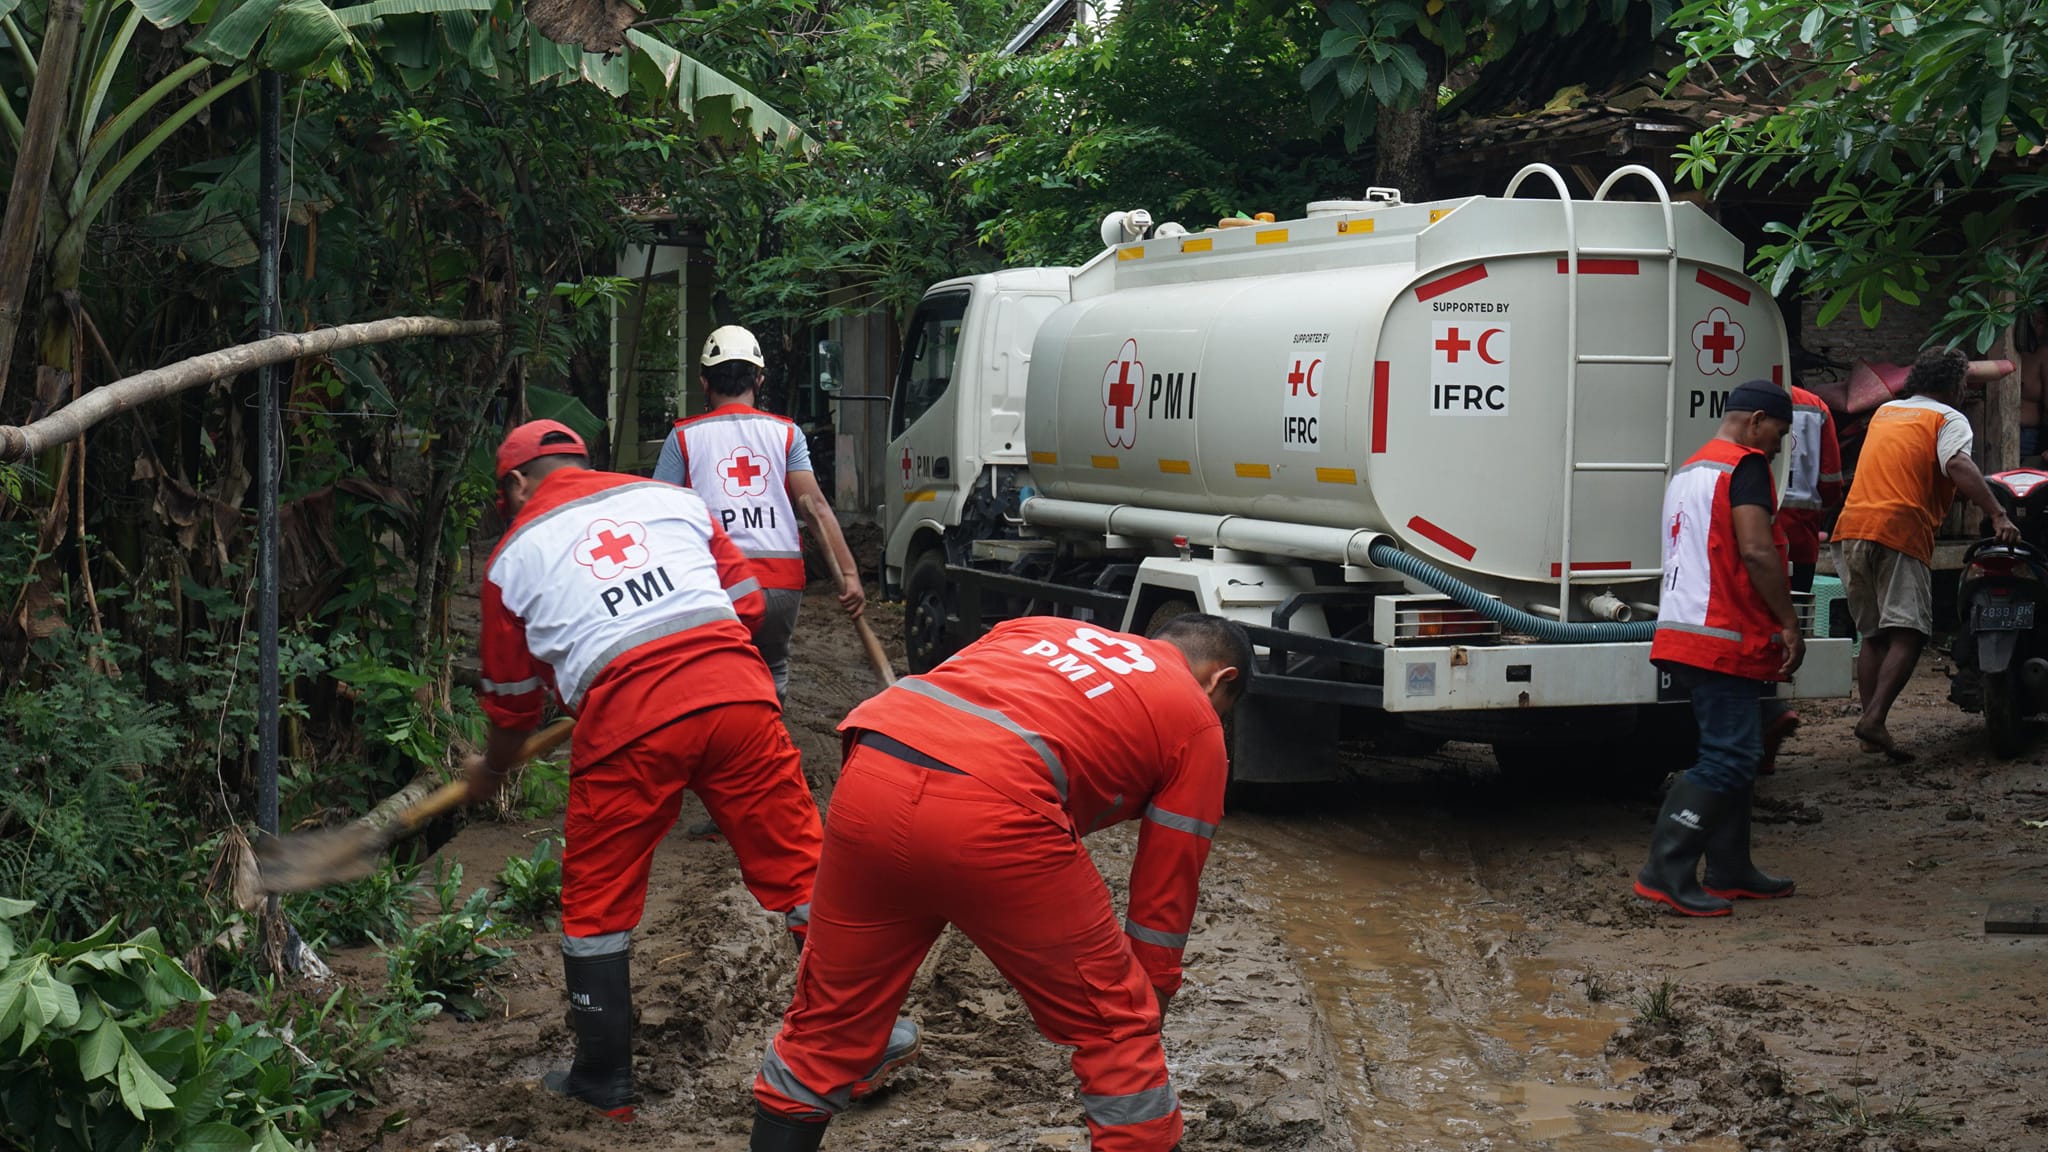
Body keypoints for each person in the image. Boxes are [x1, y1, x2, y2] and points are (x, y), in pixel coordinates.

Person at [748, 613, 1255, 1152]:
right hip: (996, 811)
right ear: (1220, 680)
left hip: (874, 772)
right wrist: (1146, 1004)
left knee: (829, 1019)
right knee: (1115, 1029)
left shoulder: (1038, 627)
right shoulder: (1197, 721)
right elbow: (1166, 889)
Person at [463, 419, 827, 1120]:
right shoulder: (674, 502)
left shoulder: (510, 558)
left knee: (598, 899)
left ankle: (604, 1082)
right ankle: (860, 1040)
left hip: (628, 724)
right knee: (802, 867)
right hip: (737, 696)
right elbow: (748, 604)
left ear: (516, 483)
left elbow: (512, 705)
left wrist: (493, 769)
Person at [1636, 380, 1804, 918]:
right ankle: (1665, 871)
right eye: (1779, 432)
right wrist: (1789, 622)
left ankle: (1731, 869)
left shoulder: (1691, 470)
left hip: (1685, 631)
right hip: (1722, 635)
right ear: (1756, 421)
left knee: (1739, 752)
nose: (1778, 445)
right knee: (1728, 757)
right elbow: (1756, 550)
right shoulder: (1745, 467)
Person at [653, 324, 864, 702]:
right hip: (781, 582)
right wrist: (849, 574)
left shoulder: (683, 437)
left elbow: (660, 515)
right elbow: (815, 508)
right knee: (773, 669)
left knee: (716, 676)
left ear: (704, 382)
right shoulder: (786, 434)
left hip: (717, 583)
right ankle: (770, 728)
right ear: (759, 379)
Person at [1831, 347, 2019, 761]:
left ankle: (1870, 731)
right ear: (1954, 385)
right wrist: (1997, 513)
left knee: (1873, 636)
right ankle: (1874, 719)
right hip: (1899, 529)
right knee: (1911, 632)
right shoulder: (1948, 418)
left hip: (1851, 528)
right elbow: (1958, 465)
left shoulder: (1886, 412)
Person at [1757, 384, 1845, 772]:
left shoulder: (1742, 396)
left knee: (1753, 625)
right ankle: (1776, 705)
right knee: (1789, 631)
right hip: (1800, 539)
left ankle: (1767, 713)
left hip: (1753, 533)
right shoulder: (1816, 406)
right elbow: (1830, 482)